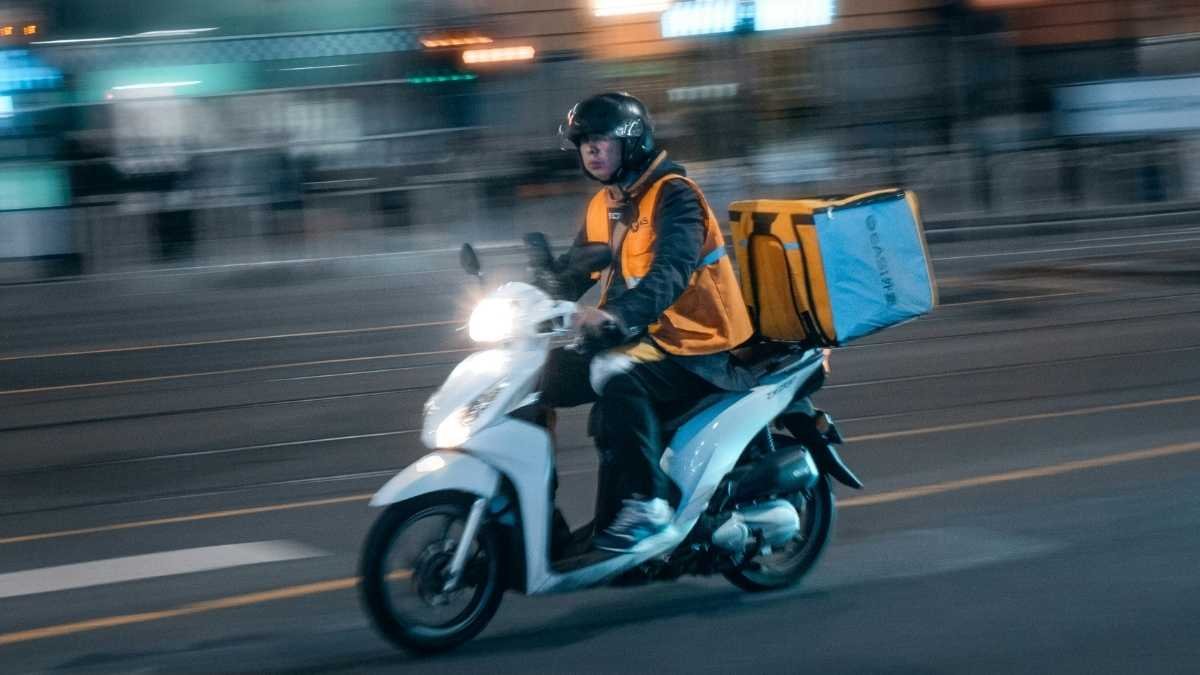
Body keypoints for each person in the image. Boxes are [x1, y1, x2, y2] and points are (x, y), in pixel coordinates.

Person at [541, 92, 755, 552]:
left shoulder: (675, 196)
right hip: (640, 336)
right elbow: (576, 270)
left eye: (602, 139)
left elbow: (670, 274)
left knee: (611, 370)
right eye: (584, 142)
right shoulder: (605, 204)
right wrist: (534, 292)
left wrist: (615, 315)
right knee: (535, 380)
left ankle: (648, 506)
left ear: (632, 141)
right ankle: (538, 514)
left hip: (695, 342)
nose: (591, 150)